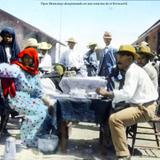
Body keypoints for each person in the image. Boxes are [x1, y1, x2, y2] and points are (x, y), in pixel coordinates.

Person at [96, 44, 158, 160]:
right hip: (140, 104)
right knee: (113, 109)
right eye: (117, 56)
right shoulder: (133, 69)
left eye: (121, 57)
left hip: (145, 108)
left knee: (115, 119)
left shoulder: (132, 71)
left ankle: (123, 155)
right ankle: (113, 143)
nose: (117, 59)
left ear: (129, 59)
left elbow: (127, 93)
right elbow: (129, 94)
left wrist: (107, 93)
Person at [0, 48, 54, 147]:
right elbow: (3, 69)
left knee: (45, 111)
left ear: (34, 60)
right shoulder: (17, 68)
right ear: (22, 57)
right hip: (17, 97)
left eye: (31, 58)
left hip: (30, 99)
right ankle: (27, 139)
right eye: (26, 58)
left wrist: (49, 103)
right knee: (39, 112)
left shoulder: (34, 73)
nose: (28, 60)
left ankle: (35, 138)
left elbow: (39, 92)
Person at [0, 27, 20, 135]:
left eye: (10, 36)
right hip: (1, 79)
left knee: (8, 102)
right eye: (6, 36)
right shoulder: (0, 47)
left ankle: (3, 127)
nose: (8, 38)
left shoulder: (16, 49)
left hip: (11, 80)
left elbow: (19, 62)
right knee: (1, 101)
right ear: (2, 37)